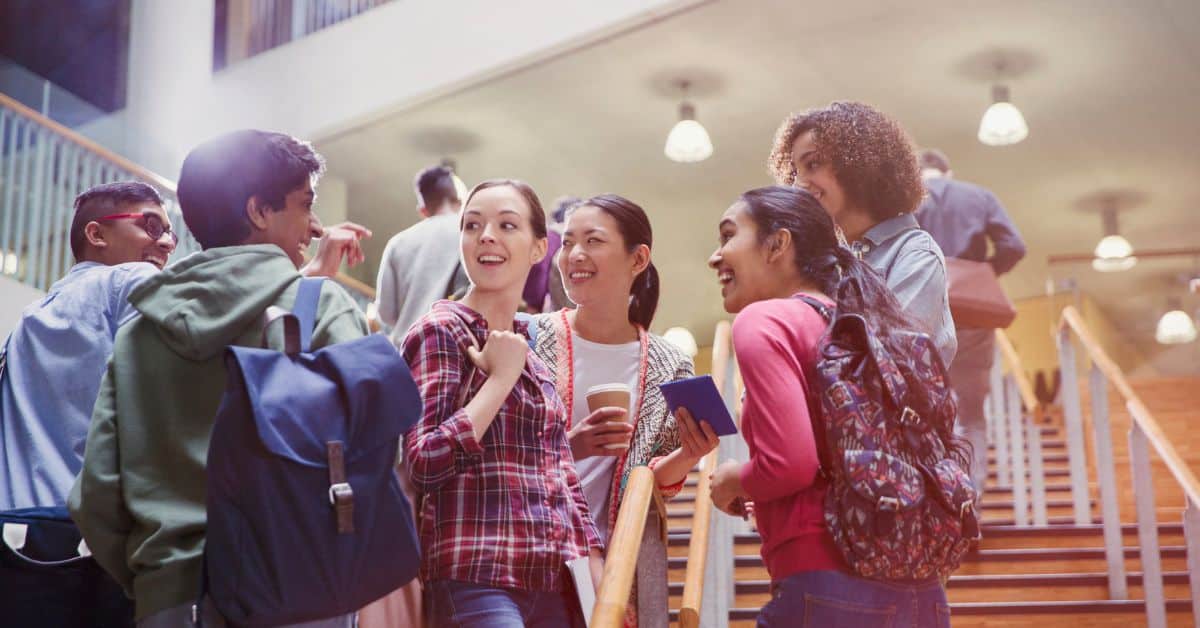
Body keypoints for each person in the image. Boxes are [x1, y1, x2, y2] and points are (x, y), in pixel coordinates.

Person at [69, 129, 370, 628]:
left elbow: (95, 492)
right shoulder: (320, 307)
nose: (314, 226)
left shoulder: (140, 330)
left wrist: (156, 579)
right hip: (300, 586)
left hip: (171, 600)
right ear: (258, 211)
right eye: (304, 204)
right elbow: (376, 442)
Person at [706, 186, 960, 627]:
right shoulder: (866, 321)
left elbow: (790, 465)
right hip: (922, 593)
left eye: (728, 236)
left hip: (826, 587)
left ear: (778, 244)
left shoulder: (765, 320)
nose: (716, 257)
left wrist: (734, 480)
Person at [402, 179, 603, 628]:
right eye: (472, 225)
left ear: (537, 249)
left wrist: (594, 563)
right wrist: (501, 379)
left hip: (553, 581)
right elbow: (424, 460)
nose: (486, 235)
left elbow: (561, 471)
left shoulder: (531, 351)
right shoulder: (441, 329)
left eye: (506, 225)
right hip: (473, 577)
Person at [529, 194, 719, 628]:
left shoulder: (670, 363)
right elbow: (506, 449)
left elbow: (656, 479)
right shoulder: (531, 339)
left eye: (593, 241)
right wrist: (569, 446)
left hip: (625, 558)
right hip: (539, 552)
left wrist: (691, 454)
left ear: (639, 259)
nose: (575, 255)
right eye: (568, 242)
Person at [1, 182, 176, 512]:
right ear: (96, 235)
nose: (167, 243)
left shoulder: (25, 324)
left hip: (16, 531)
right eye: (152, 226)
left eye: (170, 234)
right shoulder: (131, 280)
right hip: (87, 538)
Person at [768, 101, 956, 366]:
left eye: (813, 164)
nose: (799, 183)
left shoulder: (915, 253)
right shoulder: (827, 264)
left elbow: (890, 360)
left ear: (856, 164)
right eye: (796, 172)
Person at [915, 148, 1027, 497]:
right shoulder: (978, 196)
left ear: (917, 172)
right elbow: (1014, 245)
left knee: (920, 408)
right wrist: (983, 274)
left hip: (920, 313)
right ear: (948, 172)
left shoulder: (902, 200)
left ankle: (932, 495)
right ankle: (970, 494)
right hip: (972, 316)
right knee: (971, 413)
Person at [375, 165, 468, 341]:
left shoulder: (397, 243)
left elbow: (386, 314)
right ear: (460, 201)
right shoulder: (470, 234)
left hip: (406, 350)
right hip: (454, 346)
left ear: (423, 210)